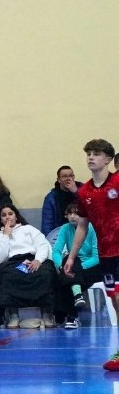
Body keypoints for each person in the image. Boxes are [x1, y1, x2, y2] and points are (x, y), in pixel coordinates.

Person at [64, 140, 119, 369]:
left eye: (96, 154)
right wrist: (71, 256)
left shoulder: (117, 182)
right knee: (115, 300)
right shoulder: (84, 192)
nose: (91, 157)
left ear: (108, 159)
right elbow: (82, 226)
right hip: (107, 254)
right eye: (88, 153)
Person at [0, 204, 56, 329]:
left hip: (33, 259)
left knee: (46, 272)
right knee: (7, 275)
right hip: (11, 263)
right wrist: (5, 235)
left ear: (16, 216)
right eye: (4, 215)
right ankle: (13, 315)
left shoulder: (29, 229)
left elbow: (43, 245)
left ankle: (46, 313)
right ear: (0, 219)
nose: (7, 217)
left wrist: (38, 260)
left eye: (10, 214)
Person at [50, 202, 99, 329]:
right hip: (72, 266)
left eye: (76, 213)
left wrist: (77, 268)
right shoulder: (65, 228)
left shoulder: (91, 227)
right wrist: (61, 266)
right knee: (67, 264)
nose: (72, 216)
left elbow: (96, 257)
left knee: (67, 276)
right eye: (70, 213)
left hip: (91, 267)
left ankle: (70, 317)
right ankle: (77, 297)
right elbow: (56, 251)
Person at [41, 166, 81, 235]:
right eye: (64, 176)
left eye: (70, 176)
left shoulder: (83, 191)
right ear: (59, 180)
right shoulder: (51, 197)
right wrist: (50, 239)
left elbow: (90, 207)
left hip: (82, 231)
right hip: (60, 233)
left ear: (74, 177)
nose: (68, 179)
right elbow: (47, 223)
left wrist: (76, 192)